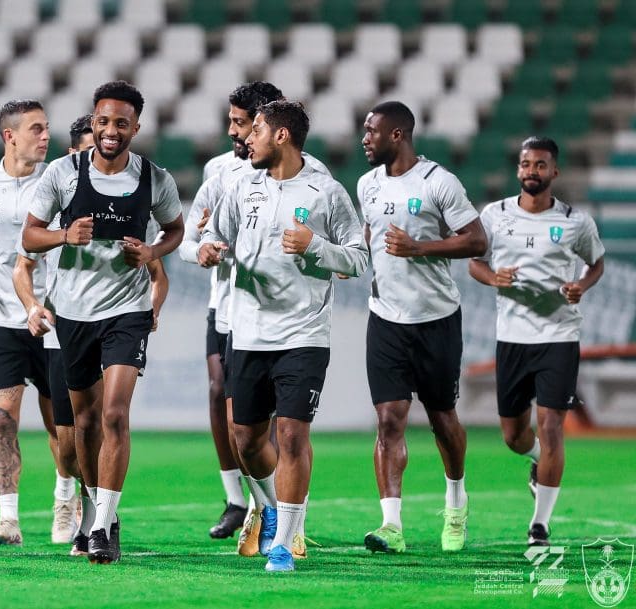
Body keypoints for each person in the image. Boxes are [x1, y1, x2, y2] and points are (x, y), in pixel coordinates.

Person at [198, 100, 367, 573]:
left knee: (292, 435)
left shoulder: (325, 191)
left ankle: (286, 541)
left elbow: (358, 258)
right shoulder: (240, 187)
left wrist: (316, 246)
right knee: (246, 439)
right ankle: (273, 508)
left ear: (282, 137)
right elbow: (206, 237)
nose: (246, 139)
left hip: (305, 332)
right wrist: (207, 249)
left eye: (256, 130)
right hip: (248, 330)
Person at [22, 81, 184, 564]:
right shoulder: (62, 172)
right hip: (73, 313)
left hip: (127, 312)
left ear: (136, 127)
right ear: (92, 122)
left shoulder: (156, 179)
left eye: (120, 123)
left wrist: (153, 250)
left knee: (114, 413)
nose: (110, 131)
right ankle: (97, 516)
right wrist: (63, 235)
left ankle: (105, 525)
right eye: (102, 121)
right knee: (85, 423)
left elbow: (175, 229)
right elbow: (30, 237)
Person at [181, 82, 329, 553]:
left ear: (271, 130)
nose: (234, 133)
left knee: (283, 430)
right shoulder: (222, 173)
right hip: (227, 311)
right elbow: (194, 234)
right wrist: (202, 248)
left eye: (243, 124)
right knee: (237, 422)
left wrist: (321, 254)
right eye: (232, 123)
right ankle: (255, 504)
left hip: (288, 323)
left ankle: (284, 524)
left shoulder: (316, 179)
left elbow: (345, 249)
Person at [357, 101, 487, 554]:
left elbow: (477, 240)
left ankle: (456, 501)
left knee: (442, 419)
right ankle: (391, 525)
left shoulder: (439, 182)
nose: (364, 138)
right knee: (389, 419)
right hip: (386, 319)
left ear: (397, 134)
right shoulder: (367, 185)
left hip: (436, 320)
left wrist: (421, 248)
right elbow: (370, 239)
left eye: (371, 131)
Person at [0, 99, 79, 547]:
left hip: (56, 317)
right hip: (1, 317)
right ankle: (8, 520)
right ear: (10, 136)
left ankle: (66, 497)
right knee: (2, 419)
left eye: (47, 128)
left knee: (61, 427)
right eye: (36, 129)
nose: (46, 136)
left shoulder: (62, 179)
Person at [468, 137, 604, 546]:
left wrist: (581, 284)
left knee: (552, 427)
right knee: (514, 435)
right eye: (526, 164)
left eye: (540, 165)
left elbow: (596, 263)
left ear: (554, 172)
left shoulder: (576, 222)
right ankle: (534, 461)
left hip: (559, 336)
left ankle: (540, 524)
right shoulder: (494, 215)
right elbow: (476, 261)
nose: (532, 171)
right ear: (518, 170)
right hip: (512, 337)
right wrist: (493, 278)